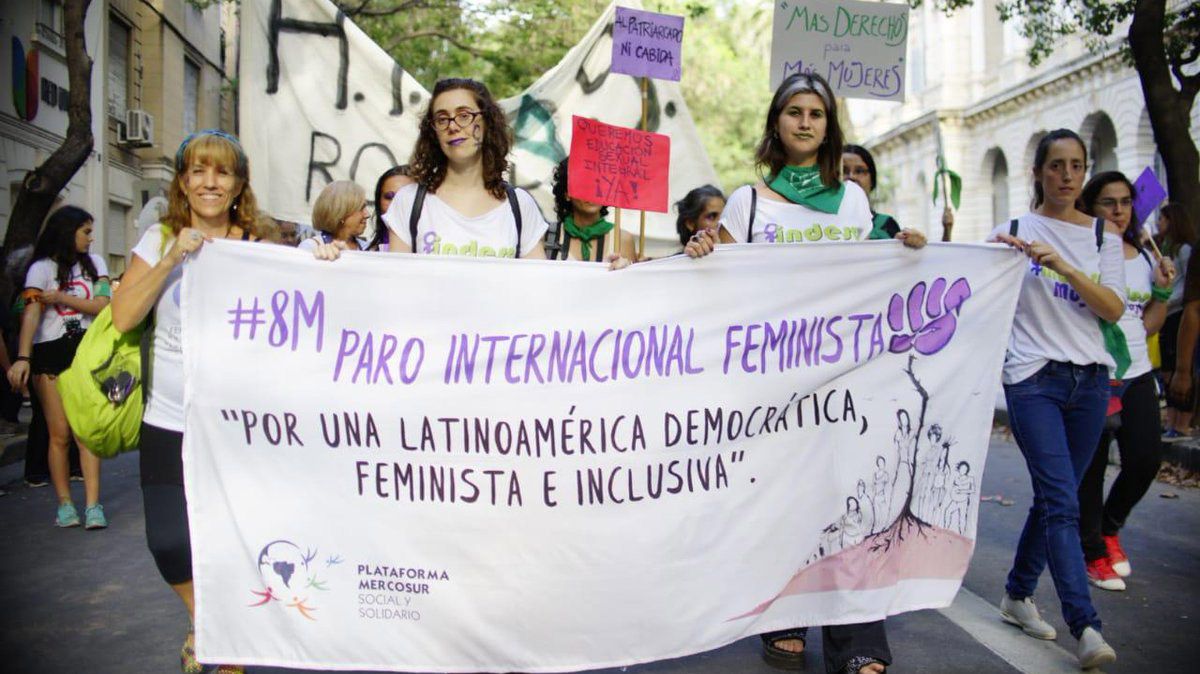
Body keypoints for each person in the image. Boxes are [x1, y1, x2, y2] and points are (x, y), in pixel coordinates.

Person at [686, 71, 925, 674]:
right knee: (785, 504)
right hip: (773, 383)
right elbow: (723, 288)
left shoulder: (852, 200)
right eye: (793, 111)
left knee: (855, 505)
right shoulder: (746, 202)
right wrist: (701, 257)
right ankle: (785, 618)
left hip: (845, 378)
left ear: (829, 126)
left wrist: (906, 251)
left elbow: (871, 279)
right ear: (776, 122)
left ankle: (860, 642)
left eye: (815, 114)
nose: (804, 122)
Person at [111, 129, 266, 674]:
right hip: (168, 421)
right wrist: (172, 257)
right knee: (170, 543)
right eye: (198, 170)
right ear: (182, 181)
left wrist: (324, 256)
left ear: (238, 183)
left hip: (234, 428)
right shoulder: (158, 239)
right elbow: (124, 316)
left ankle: (225, 639)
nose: (209, 182)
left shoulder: (259, 245)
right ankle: (205, 623)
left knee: (234, 541)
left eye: (222, 172)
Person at [989, 129, 1123, 669]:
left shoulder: (1101, 238)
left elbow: (1112, 309)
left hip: (1090, 383)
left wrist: (1064, 266)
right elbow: (970, 284)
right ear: (1039, 173)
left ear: (1085, 171)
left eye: (1076, 166)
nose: (1066, 175)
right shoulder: (1012, 231)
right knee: (1064, 501)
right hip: (1032, 380)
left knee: (1055, 498)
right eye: (1056, 166)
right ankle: (1086, 627)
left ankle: (1018, 594)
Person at [1076, 172, 1173, 593]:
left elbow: (1148, 323)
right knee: (1092, 470)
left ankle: (1110, 528)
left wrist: (1164, 294)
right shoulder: (1086, 252)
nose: (1118, 210)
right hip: (1096, 371)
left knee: (1146, 459)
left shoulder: (1145, 255)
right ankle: (1093, 551)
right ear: (1091, 207)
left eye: (1125, 202)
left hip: (1136, 372)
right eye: (1107, 202)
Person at [6, 205, 109, 529]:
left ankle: (94, 505)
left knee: (86, 433)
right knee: (59, 433)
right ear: (68, 232)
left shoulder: (97, 265)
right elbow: (31, 315)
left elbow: (103, 305)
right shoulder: (40, 269)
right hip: (49, 354)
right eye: (86, 231)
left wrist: (62, 298)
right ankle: (65, 504)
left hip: (87, 354)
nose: (90, 239)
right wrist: (22, 358)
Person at [383, 78, 549, 260]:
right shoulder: (408, 202)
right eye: (442, 119)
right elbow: (396, 281)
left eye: (464, 115)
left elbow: (536, 283)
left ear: (487, 123)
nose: (452, 126)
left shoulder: (520, 205)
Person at [1156, 203, 1196, 436]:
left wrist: (1167, 299)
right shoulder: (1164, 248)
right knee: (1167, 370)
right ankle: (1171, 420)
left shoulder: (1184, 250)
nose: (1159, 223)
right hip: (1166, 314)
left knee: (1182, 368)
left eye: (1162, 218)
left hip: (1177, 313)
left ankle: (1182, 423)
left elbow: (1185, 286)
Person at [547, 156, 637, 261]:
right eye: (583, 186)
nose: (593, 193)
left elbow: (630, 278)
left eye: (599, 185)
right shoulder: (549, 235)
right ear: (567, 194)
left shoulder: (623, 239)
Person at [299, 180, 371, 252]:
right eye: (361, 208)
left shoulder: (367, 249)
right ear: (342, 213)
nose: (367, 215)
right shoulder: (311, 247)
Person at [368, 165, 414, 251]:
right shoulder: (366, 254)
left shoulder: (434, 249)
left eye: (406, 198)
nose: (396, 204)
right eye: (389, 197)